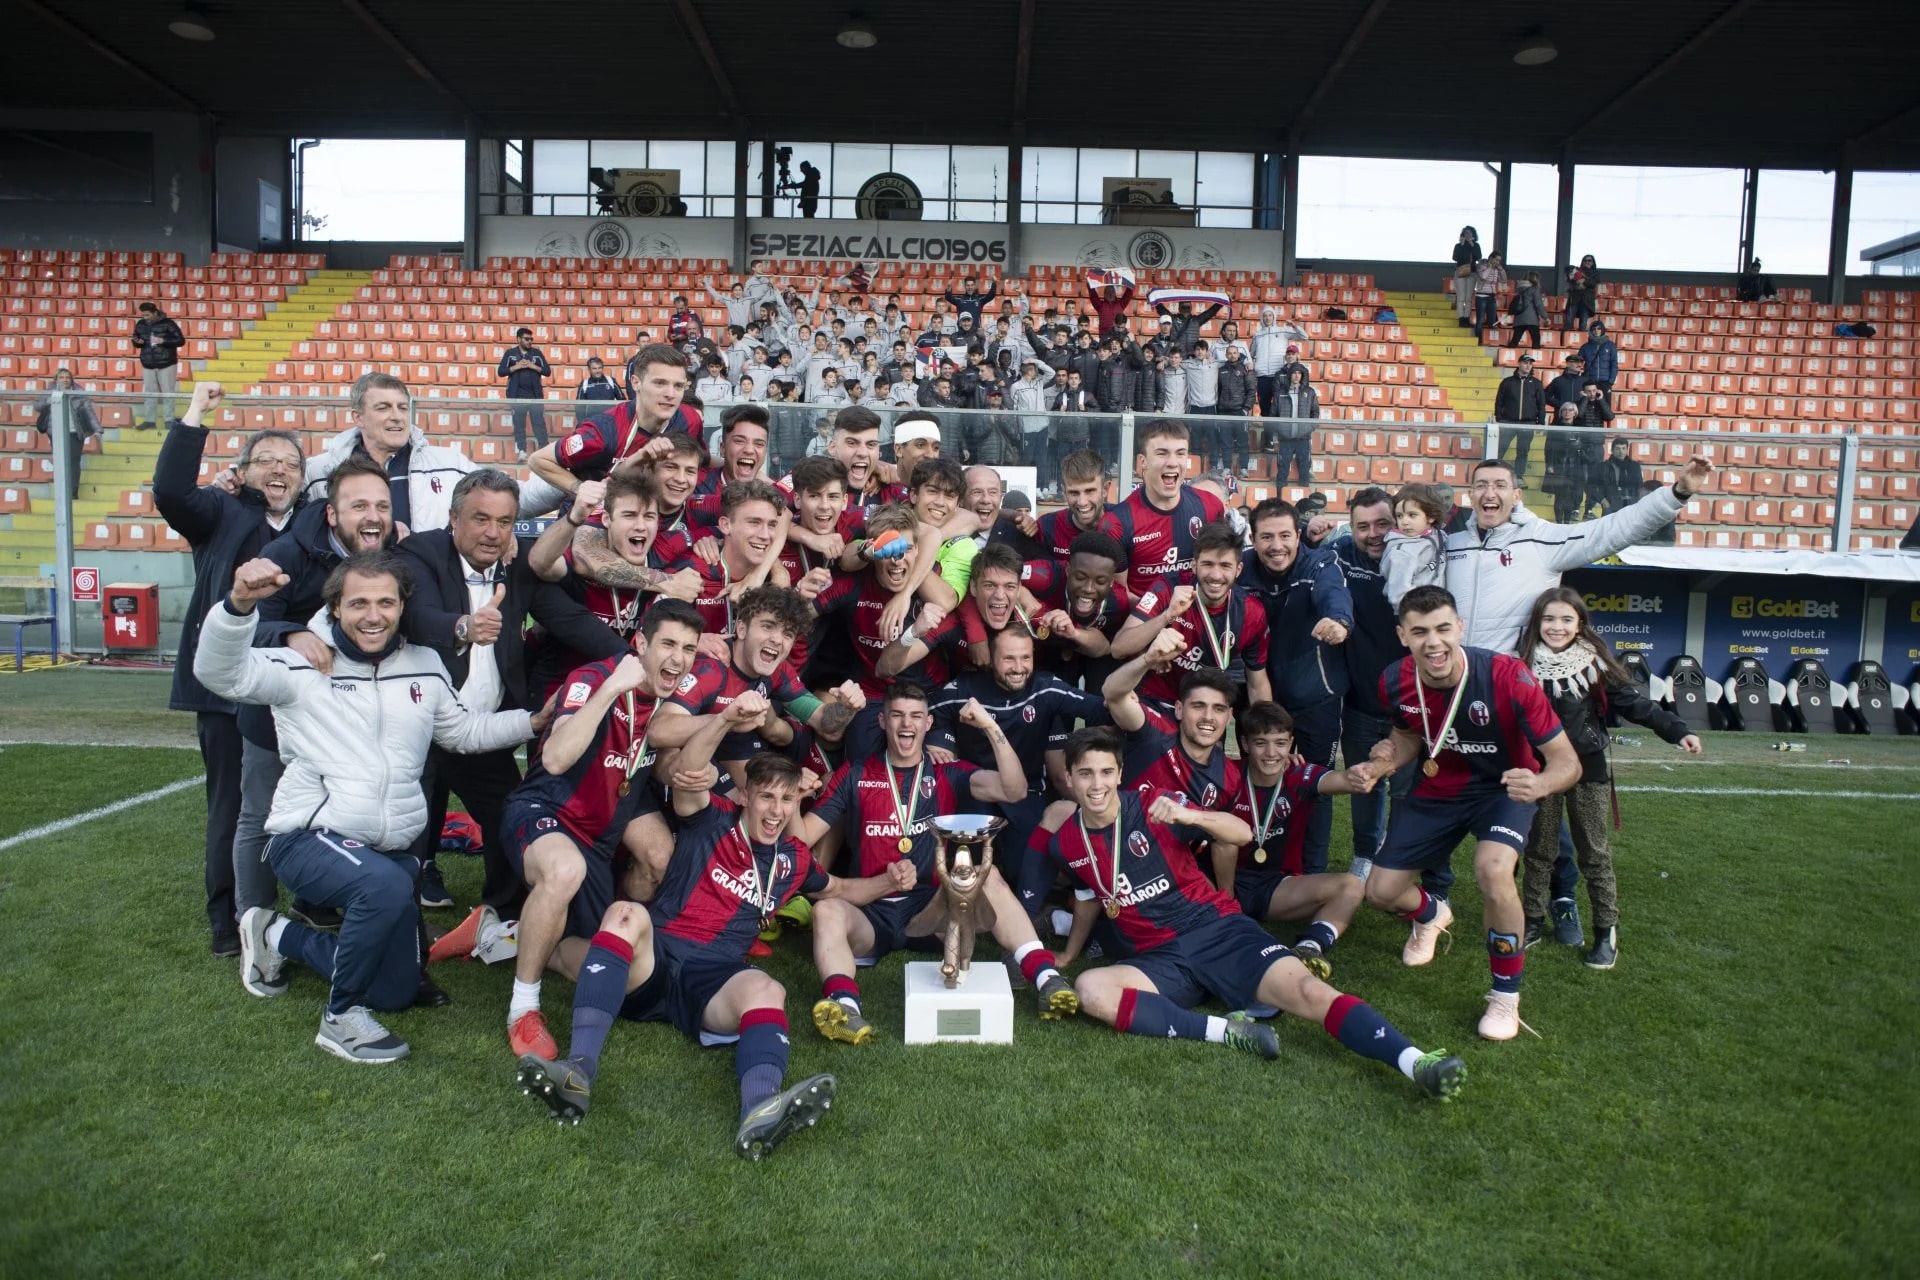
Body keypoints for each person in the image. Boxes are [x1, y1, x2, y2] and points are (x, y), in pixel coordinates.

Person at [203, 550, 545, 1062]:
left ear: (402, 606)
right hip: (306, 837)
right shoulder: (302, 663)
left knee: (397, 989)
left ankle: (275, 933)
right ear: (336, 609)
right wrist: (237, 606)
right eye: (358, 602)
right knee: (385, 884)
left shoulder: (425, 665)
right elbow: (220, 674)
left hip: (385, 848)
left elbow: (464, 732)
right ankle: (340, 1019)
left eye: (386, 602)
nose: (372, 614)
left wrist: (535, 722)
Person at [1035, 727, 1466, 1099]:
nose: (1097, 784)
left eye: (1106, 772)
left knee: (1310, 994)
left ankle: (1416, 1062)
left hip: (1216, 930)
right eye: (1086, 773)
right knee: (1091, 989)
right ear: (1068, 778)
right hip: (1161, 960)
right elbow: (1090, 897)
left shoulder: (1153, 805)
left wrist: (1190, 814)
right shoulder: (1066, 842)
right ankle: (1230, 1032)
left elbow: (1240, 832)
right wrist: (1071, 955)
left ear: (1119, 774)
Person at [515, 733, 844, 1160]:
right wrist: (722, 726)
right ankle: (577, 1073)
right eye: (766, 797)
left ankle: (759, 1110)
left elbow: (838, 887)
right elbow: (689, 783)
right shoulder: (712, 816)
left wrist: (891, 883)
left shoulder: (795, 859)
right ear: (744, 796)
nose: (776, 810)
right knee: (612, 922)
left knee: (769, 990)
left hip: (711, 979)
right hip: (655, 957)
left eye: (787, 799)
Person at [794, 682, 1080, 1044]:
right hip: (870, 910)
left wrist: (991, 726)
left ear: (929, 724)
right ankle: (844, 1006)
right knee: (826, 912)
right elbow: (801, 837)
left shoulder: (948, 771)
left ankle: (1045, 976)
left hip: (933, 912)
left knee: (986, 875)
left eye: (915, 716)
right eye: (896, 715)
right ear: (882, 721)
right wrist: (793, 798)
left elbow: (1015, 790)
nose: (906, 725)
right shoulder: (855, 773)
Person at [396, 469, 625, 913]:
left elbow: (570, 620)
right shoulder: (419, 552)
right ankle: (400, 913)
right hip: (418, 724)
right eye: (480, 519)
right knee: (408, 828)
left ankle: (502, 914)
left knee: (509, 817)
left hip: (485, 726)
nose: (492, 533)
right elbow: (415, 616)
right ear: (454, 518)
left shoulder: (517, 567)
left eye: (504, 522)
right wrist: (463, 626)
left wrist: (634, 660)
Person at [1359, 585, 1582, 1040]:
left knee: (1493, 871)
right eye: (1419, 632)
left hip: (1504, 790)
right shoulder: (1393, 679)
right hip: (1438, 787)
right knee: (1379, 892)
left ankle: (1504, 998)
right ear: (1403, 635)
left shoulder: (1508, 676)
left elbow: (1568, 762)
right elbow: (1408, 739)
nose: (1433, 642)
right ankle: (1431, 914)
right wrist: (1382, 762)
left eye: (1443, 628)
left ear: (1460, 627)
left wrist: (1538, 784)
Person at [498, 600, 706, 1063]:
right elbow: (554, 758)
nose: (678, 659)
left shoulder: (676, 698)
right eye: (668, 644)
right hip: (546, 810)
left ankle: (503, 935)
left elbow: (662, 767)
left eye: (689, 649)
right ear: (641, 644)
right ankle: (523, 1007)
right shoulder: (593, 678)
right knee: (564, 869)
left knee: (658, 862)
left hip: (604, 830)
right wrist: (612, 687)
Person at [153, 381, 303, 956]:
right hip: (224, 692)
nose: (278, 469)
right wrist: (195, 414)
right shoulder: (220, 511)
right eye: (265, 459)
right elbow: (169, 490)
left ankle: (307, 901)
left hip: (292, 691)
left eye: (289, 462)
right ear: (242, 471)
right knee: (234, 806)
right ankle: (229, 920)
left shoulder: (314, 521)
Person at [1516, 588, 1702, 969]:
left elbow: (1635, 703)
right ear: (1538, 622)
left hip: (1588, 770)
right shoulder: (1520, 663)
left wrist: (1676, 729)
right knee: (1539, 851)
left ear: (1580, 623)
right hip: (1540, 771)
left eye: (1567, 619)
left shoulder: (1595, 664)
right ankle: (1531, 921)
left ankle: (1606, 931)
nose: (1557, 626)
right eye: (1549, 619)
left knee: (1594, 853)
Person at [1441, 456, 1710, 655]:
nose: (1490, 493)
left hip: (1511, 678)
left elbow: (1613, 530)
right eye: (1481, 486)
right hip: (1453, 677)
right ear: (1471, 494)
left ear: (1516, 495)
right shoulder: (1450, 545)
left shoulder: (1542, 539)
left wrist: (1677, 494)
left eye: (1500, 485)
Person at [1217, 701, 1376, 975]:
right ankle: (1225, 911)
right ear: (1244, 743)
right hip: (1219, 882)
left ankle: (1310, 946)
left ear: (1291, 743)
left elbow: (1345, 781)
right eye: (1260, 743)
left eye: (1280, 743)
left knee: (1352, 886)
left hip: (1274, 887)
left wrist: (1373, 768)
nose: (1271, 753)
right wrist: (1225, 897)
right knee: (1226, 837)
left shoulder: (1299, 775)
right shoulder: (1225, 773)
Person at [1239, 498, 1353, 873]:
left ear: (1298, 535)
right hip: (1256, 693)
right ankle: (1260, 864)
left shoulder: (1319, 562)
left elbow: (1333, 593)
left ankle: (1312, 871)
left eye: (1285, 535)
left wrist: (1338, 621)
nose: (1277, 546)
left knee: (1317, 786)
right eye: (1267, 537)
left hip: (1315, 696)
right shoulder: (1241, 570)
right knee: (1257, 779)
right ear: (1253, 539)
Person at [1112, 522, 1271, 708]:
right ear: (1194, 565)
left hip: (1203, 710)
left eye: (1225, 566)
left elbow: (1257, 683)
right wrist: (1167, 615)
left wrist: (1264, 725)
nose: (1215, 575)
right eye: (1207, 564)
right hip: (1156, 700)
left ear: (1238, 570)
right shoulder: (1167, 587)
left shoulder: (1252, 612)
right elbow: (1119, 647)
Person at [302, 372, 474, 534]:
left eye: (403, 408)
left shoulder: (453, 465)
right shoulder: (318, 471)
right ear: (358, 417)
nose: (397, 416)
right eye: (383, 408)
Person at [1112, 420, 1227, 600]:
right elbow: (1119, 596)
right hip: (1144, 623)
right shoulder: (1117, 523)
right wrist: (1161, 614)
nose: (1173, 463)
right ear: (1142, 462)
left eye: (1180, 453)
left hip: (1199, 619)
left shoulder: (1210, 506)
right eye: (1162, 453)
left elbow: (1221, 571)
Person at [33, 368, 101, 499]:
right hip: (56, 432)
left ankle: (72, 492)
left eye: (67, 377)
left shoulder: (79, 393)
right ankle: (62, 491)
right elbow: (38, 406)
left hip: (75, 432)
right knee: (59, 462)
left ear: (71, 380)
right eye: (61, 377)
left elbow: (89, 412)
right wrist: (50, 400)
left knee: (73, 462)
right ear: (56, 379)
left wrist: (97, 429)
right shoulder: (50, 391)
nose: (65, 380)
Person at [1383, 482, 1449, 606]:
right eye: (1399, 516)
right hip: (1416, 614)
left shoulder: (1440, 536)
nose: (1404, 522)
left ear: (1431, 517)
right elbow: (1398, 595)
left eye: (1412, 515)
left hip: (1439, 610)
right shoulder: (1401, 551)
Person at [499, 327, 552, 463]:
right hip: (517, 396)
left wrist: (532, 366)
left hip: (535, 396)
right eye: (526, 339)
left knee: (539, 423)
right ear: (518, 339)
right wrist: (516, 367)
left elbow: (547, 371)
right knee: (519, 424)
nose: (530, 342)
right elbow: (501, 371)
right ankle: (522, 451)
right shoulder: (510, 353)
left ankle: (544, 450)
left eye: (531, 339)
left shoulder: (537, 353)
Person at [131, 301, 185, 429]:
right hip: (147, 363)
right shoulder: (140, 324)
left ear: (155, 313)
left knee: (168, 393)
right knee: (149, 393)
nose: (145, 317)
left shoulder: (168, 323)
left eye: (147, 315)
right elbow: (136, 340)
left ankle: (169, 420)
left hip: (167, 363)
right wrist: (137, 342)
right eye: (143, 315)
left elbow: (181, 340)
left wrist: (163, 341)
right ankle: (150, 420)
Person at [1494, 353, 1547, 479]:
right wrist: (1499, 418)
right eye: (1525, 362)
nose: (1528, 365)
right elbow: (1499, 401)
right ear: (1519, 364)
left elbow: (1541, 404)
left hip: (1528, 423)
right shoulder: (1507, 382)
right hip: (1508, 421)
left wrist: (1541, 421)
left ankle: (1518, 477)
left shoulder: (1536, 383)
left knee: (1523, 452)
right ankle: (1494, 471)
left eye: (1530, 363)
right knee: (1500, 448)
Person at [1266, 364, 1318, 486]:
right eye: (1294, 373)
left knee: (1304, 471)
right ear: (1290, 375)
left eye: (1299, 373)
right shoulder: (1280, 393)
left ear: (1302, 375)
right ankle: (1281, 501)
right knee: (1282, 471)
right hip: (1285, 438)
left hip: (1303, 438)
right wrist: (1279, 430)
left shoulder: (1309, 392)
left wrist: (1310, 427)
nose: (1296, 375)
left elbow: (1315, 411)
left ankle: (1304, 502)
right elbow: (1273, 414)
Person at [1594, 437, 1644, 514]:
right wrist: (1603, 501)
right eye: (1617, 449)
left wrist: (1638, 502)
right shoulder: (1603, 466)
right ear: (1612, 450)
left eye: (1623, 448)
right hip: (1611, 504)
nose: (1621, 452)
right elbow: (1592, 487)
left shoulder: (1635, 466)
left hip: (1631, 504)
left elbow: (1640, 485)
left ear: (1627, 449)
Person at [1577, 320, 1619, 397]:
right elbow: (1577, 363)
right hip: (1589, 383)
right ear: (1591, 331)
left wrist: (1610, 382)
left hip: (1605, 383)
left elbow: (1614, 365)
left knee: (1605, 406)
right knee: (1589, 406)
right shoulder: (1585, 347)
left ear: (1602, 330)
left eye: (1599, 328)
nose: (1596, 331)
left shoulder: (1610, 346)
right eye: (1594, 329)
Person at [1471, 251, 1507, 339]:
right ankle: (1478, 339)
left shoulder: (1497, 269)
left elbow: (1504, 280)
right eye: (1496, 260)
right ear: (1491, 258)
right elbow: (1483, 276)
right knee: (1480, 320)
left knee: (1492, 321)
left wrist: (1501, 269)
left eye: (1499, 261)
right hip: (1481, 296)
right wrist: (1490, 267)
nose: (1498, 262)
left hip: (1492, 297)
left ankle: (1489, 339)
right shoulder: (1482, 265)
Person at [1451, 228, 1481, 328]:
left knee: (1468, 298)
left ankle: (1466, 318)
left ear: (1473, 235)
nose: (1467, 234)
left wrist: (1471, 244)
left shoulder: (1476, 245)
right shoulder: (1458, 245)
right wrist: (1463, 245)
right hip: (1461, 271)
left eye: (1470, 233)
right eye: (1466, 233)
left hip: (1472, 273)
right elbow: (1455, 258)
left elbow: (1478, 256)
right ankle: (1461, 318)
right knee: (1461, 297)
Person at [1507, 270, 1546, 349]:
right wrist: (1545, 317)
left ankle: (1511, 353)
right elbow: (1538, 305)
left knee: (1515, 340)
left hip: (1519, 318)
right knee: (1536, 340)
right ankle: (1535, 357)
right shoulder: (1534, 289)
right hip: (1531, 319)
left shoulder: (1519, 289)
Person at [1563, 255, 1599, 332]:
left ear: (1593, 262)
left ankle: (1582, 342)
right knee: (1568, 323)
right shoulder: (1577, 270)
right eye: (1585, 260)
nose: (1587, 262)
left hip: (1586, 301)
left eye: (1589, 260)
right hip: (1575, 298)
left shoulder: (1595, 273)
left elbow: (1593, 283)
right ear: (1582, 262)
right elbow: (1569, 277)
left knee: (1583, 325)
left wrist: (1584, 280)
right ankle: (1565, 339)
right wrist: (1574, 278)